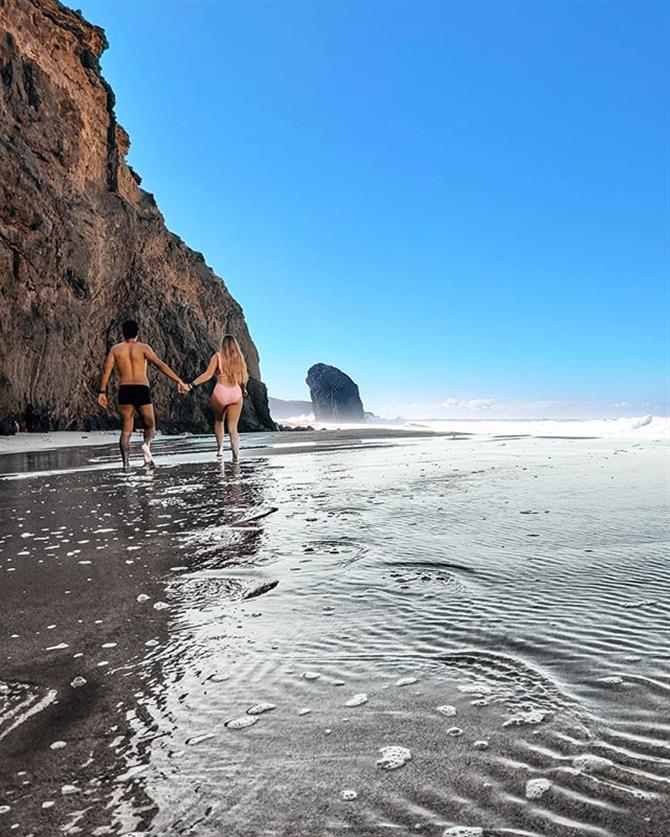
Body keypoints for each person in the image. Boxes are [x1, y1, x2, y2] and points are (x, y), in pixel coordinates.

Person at [97, 320, 189, 468]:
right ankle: (146, 448)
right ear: (137, 333)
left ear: (123, 333)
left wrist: (102, 391)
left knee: (126, 430)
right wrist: (178, 380)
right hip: (141, 388)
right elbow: (160, 365)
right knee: (150, 424)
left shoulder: (115, 349)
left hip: (125, 389)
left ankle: (126, 464)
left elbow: (106, 371)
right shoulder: (143, 348)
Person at [189, 334, 248, 459]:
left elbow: (208, 375)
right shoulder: (239, 359)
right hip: (235, 392)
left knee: (219, 420)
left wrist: (192, 384)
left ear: (223, 345)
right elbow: (243, 378)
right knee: (233, 429)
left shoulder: (217, 357)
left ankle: (220, 448)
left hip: (221, 391)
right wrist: (243, 390)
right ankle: (235, 456)